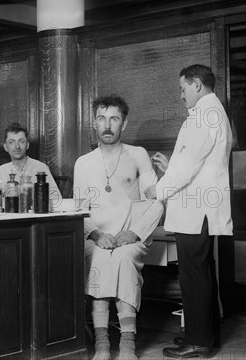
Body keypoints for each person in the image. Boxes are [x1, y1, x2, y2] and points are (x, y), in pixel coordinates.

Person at [145, 64, 232, 358]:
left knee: (194, 275)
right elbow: (199, 163)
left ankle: (199, 341)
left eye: (183, 88)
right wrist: (172, 167)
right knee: (202, 272)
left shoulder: (204, 114)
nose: (181, 95)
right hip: (200, 206)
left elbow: (189, 164)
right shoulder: (213, 111)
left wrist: (158, 190)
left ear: (196, 84)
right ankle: (205, 335)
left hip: (196, 210)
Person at [74, 95, 164, 360]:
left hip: (129, 235)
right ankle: (102, 344)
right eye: (102, 119)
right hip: (96, 236)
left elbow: (156, 200)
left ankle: (127, 344)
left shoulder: (137, 155)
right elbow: (79, 211)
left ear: (124, 123)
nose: (108, 125)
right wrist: (97, 234)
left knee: (123, 260)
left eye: (114, 118)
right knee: (99, 259)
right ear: (94, 123)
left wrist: (133, 233)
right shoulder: (84, 162)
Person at [0, 122, 61, 208]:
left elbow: (56, 199)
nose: (17, 146)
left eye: (21, 142)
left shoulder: (40, 168)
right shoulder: (1, 170)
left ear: (27, 145)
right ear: (5, 147)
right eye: (11, 142)